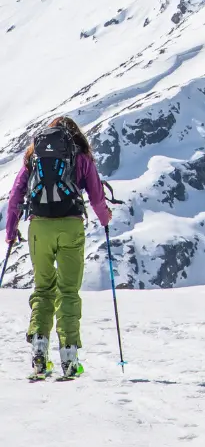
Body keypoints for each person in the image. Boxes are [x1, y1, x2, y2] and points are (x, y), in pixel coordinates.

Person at [4, 116, 112, 378]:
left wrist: (11, 230)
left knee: (43, 289)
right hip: (70, 226)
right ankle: (70, 358)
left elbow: (16, 194)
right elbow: (96, 197)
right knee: (68, 291)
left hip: (39, 227)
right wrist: (105, 219)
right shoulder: (81, 157)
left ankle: (39, 355)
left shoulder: (34, 157)